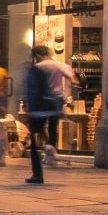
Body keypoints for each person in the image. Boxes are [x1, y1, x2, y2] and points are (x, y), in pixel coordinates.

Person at [21, 44, 62, 183]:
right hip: (50, 106)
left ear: (36, 56)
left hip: (37, 110)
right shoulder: (53, 66)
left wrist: (28, 109)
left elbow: (31, 92)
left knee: (35, 143)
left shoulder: (35, 70)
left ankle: (37, 175)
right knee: (51, 130)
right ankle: (50, 148)